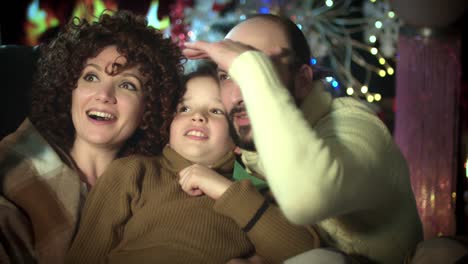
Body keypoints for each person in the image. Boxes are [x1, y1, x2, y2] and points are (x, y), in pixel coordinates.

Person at [183, 14, 423, 263]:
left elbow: (306, 199)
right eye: (226, 75)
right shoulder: (238, 145)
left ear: (303, 80)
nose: (237, 96)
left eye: (260, 67)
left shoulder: (356, 125)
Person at [66, 66, 320, 264]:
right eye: (184, 108)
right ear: (169, 123)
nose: (198, 116)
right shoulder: (134, 171)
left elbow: (307, 252)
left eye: (217, 111)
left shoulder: (253, 194)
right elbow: (85, 254)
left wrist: (223, 190)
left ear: (239, 139)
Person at [0, 10, 184, 264]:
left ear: (150, 108)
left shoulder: (161, 187)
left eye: (127, 84)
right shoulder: (11, 166)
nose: (104, 94)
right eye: (91, 77)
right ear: (69, 90)